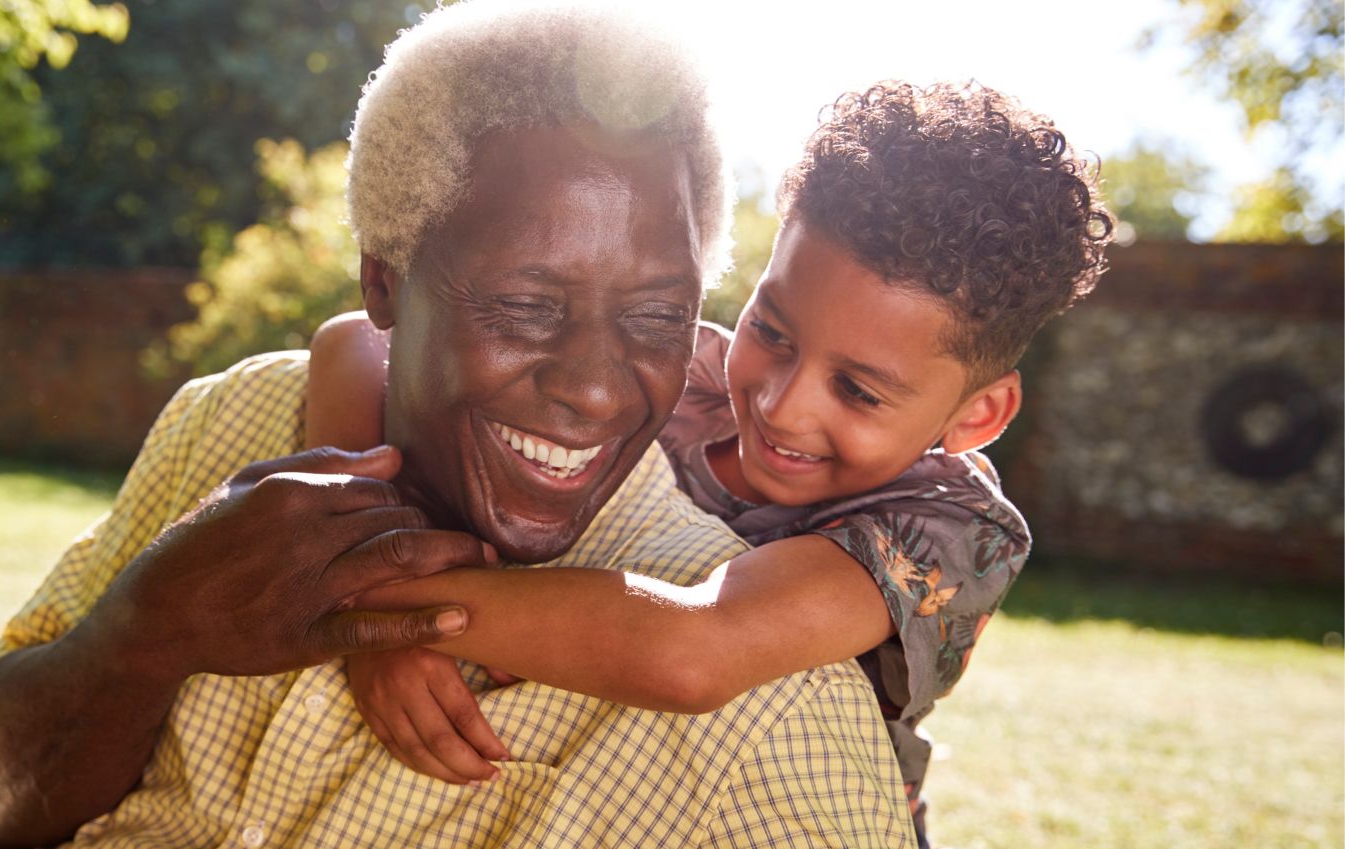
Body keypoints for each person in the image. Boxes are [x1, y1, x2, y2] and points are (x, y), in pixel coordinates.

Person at [0, 3, 915, 848]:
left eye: (655, 317)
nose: (593, 390)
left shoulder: (768, 725)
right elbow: (5, 807)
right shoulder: (233, 419)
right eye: (524, 305)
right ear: (384, 282)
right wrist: (149, 625)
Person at [305, 80, 1115, 846]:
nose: (782, 404)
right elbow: (356, 341)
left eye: (858, 391)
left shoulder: (950, 531)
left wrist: (381, 606)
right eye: (772, 331)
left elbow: (693, 650)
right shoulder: (678, 371)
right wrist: (372, 588)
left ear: (978, 414)